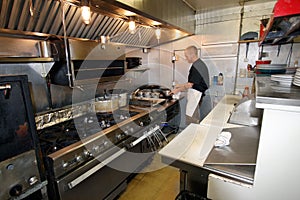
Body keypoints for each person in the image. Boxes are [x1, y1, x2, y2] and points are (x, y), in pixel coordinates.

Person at [171, 45, 211, 125]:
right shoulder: (199, 64)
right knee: (193, 118)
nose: (186, 58)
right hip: (196, 95)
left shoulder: (197, 66)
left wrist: (177, 90)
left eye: (186, 56)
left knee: (192, 120)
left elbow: (190, 85)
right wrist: (179, 85)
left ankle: (193, 136)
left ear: (192, 54)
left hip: (196, 96)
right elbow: (192, 83)